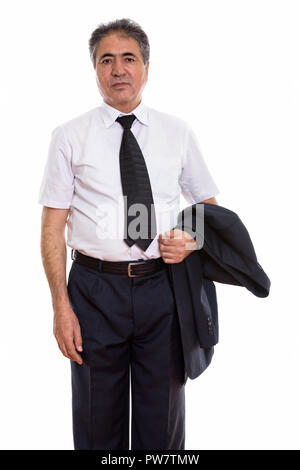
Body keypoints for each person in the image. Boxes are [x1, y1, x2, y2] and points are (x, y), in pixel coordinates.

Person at [38, 18, 220, 450]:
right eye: (107, 60)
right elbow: (51, 227)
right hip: (93, 292)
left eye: (129, 59)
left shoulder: (177, 132)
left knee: (163, 424)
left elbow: (209, 210)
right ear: (95, 70)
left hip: (163, 289)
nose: (118, 69)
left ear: (146, 67)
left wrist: (189, 238)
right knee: (97, 420)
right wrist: (60, 307)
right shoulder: (68, 137)